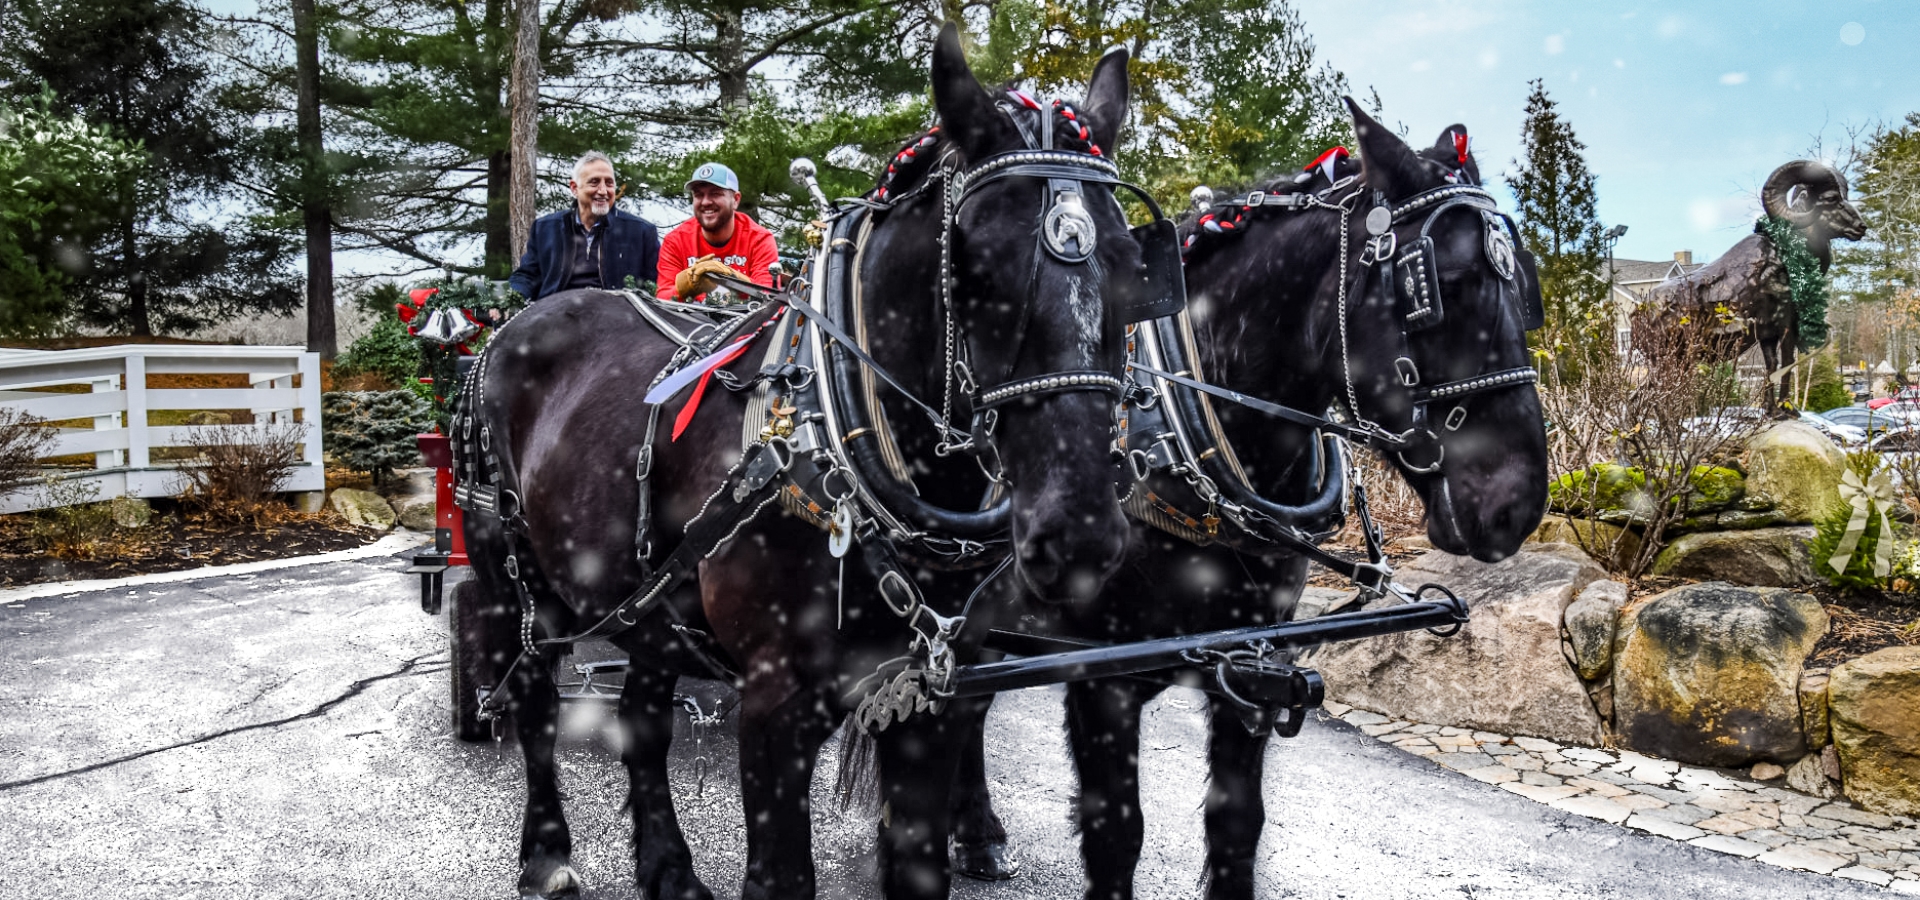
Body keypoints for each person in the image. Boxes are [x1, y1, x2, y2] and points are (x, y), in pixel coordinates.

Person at [509, 151, 660, 301]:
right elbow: (527, 276)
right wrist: (511, 299)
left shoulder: (641, 232)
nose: (603, 191)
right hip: (555, 315)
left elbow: (654, 285)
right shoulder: (545, 229)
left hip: (618, 316)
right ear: (574, 188)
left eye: (609, 183)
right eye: (594, 182)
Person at [656, 161, 780, 302]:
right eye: (698, 195)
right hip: (691, 322)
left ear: (735, 200)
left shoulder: (759, 239)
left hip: (745, 321)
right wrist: (688, 286)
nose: (705, 202)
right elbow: (662, 299)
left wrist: (730, 278)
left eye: (715, 194)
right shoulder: (675, 241)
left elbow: (769, 299)